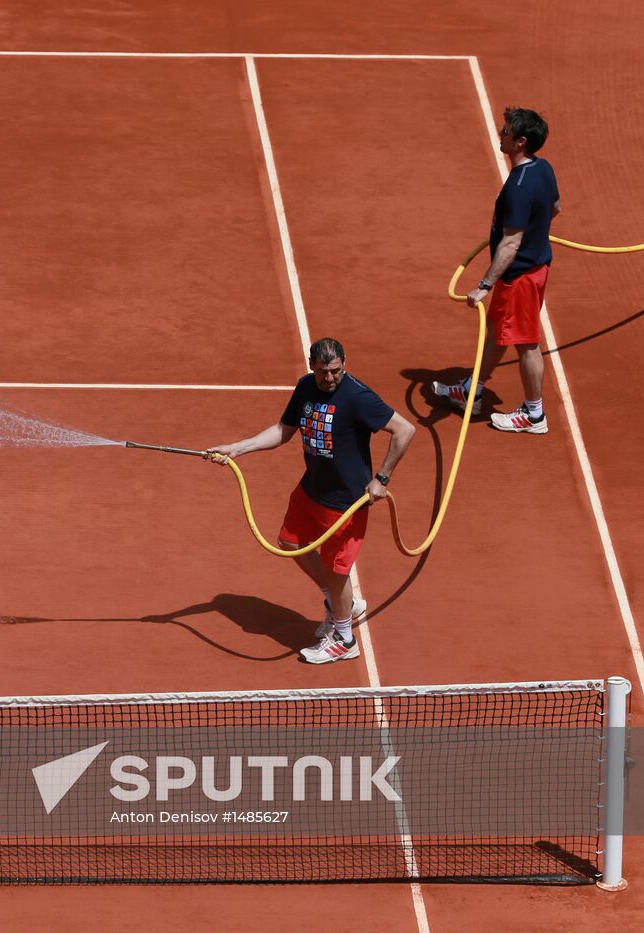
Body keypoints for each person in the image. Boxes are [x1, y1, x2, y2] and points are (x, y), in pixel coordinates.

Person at [205, 339, 417, 664]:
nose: (330, 378)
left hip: (345, 503)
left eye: (336, 371)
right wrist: (237, 448)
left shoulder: (357, 396)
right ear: (311, 366)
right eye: (323, 372)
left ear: (344, 364)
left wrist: (382, 478)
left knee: (337, 572)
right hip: (311, 490)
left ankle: (345, 639)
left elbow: (404, 430)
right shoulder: (305, 387)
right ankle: (337, 602)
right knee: (289, 543)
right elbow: (282, 431)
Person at [433, 107, 561, 434]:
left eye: (505, 132)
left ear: (520, 142)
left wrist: (485, 284)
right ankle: (472, 389)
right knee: (499, 332)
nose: (499, 134)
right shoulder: (543, 169)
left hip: (519, 276)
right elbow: (555, 208)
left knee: (527, 342)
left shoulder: (518, 186)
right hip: (534, 267)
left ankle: (534, 415)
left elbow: (510, 243)